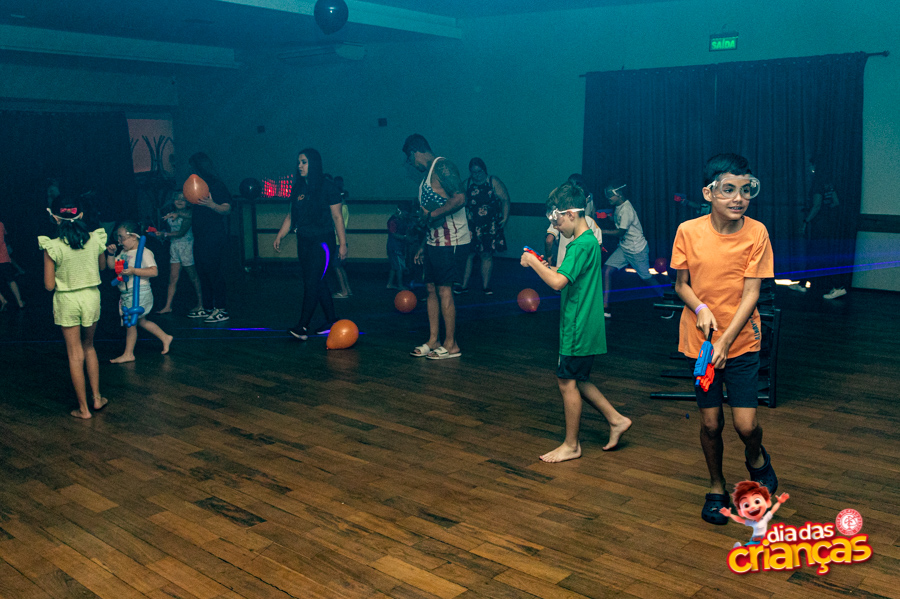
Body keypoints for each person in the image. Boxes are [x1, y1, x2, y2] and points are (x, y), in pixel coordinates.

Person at [670, 153, 777, 525]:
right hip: (701, 346)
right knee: (711, 423)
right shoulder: (688, 231)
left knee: (746, 425)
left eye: (746, 190)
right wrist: (700, 307)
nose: (738, 198)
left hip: (742, 341)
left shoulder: (757, 232)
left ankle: (756, 457)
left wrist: (726, 341)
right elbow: (681, 285)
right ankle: (716, 487)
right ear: (709, 193)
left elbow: (752, 294)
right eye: (729, 189)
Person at [520, 182, 632, 462]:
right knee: (578, 379)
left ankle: (571, 445)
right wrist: (547, 266)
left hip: (577, 325)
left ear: (570, 214)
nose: (556, 227)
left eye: (557, 221)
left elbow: (558, 283)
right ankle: (616, 420)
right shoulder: (588, 240)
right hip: (584, 323)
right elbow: (566, 273)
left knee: (566, 382)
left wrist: (533, 263)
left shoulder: (579, 245)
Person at [38, 196, 109, 418]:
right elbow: (103, 267)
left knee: (74, 354)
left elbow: (49, 285)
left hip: (67, 300)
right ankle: (97, 398)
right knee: (89, 347)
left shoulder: (52, 246)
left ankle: (83, 409)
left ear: (54, 217)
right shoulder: (95, 238)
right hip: (91, 297)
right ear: (81, 215)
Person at [402, 134, 469, 360]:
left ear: (415, 152)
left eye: (409, 159)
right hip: (434, 240)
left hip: (452, 240)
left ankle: (451, 344)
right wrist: (423, 244)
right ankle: (434, 340)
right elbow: (429, 216)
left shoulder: (443, 166)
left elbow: (460, 198)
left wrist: (432, 214)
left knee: (444, 289)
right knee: (430, 288)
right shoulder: (427, 177)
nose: (411, 164)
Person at [273, 148, 348, 340]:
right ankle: (331, 320)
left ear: (313, 164)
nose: (300, 166)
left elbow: (337, 217)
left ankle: (302, 327)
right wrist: (280, 235)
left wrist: (343, 244)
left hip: (323, 243)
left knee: (312, 283)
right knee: (318, 282)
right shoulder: (298, 188)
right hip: (304, 242)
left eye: (304, 162)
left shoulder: (328, 187)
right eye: (298, 162)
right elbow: (291, 216)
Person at [107, 222, 173, 363]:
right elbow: (112, 266)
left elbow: (154, 271)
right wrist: (111, 254)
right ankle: (165, 337)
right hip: (126, 292)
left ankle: (128, 354)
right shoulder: (124, 253)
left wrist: (134, 271)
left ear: (133, 237)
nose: (119, 241)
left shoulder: (144, 252)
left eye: (122, 237)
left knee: (131, 323)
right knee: (141, 321)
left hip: (139, 291)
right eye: (117, 237)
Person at [601, 181, 662, 318]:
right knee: (606, 270)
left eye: (610, 194)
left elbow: (620, 232)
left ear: (619, 194)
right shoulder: (618, 206)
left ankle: (666, 299)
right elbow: (619, 223)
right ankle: (605, 307)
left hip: (636, 249)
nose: (607, 197)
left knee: (646, 277)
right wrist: (609, 217)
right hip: (624, 248)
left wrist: (601, 231)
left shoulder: (627, 209)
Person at [187, 152, 232, 323]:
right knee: (202, 271)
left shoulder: (216, 185)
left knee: (214, 271)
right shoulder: (195, 185)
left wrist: (212, 204)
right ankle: (207, 307)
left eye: (193, 167)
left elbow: (227, 208)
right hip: (200, 236)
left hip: (213, 235)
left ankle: (221, 309)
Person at [796, 157, 846, 299]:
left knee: (819, 256)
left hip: (820, 226)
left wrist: (806, 221)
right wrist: (827, 210)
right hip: (829, 225)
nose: (810, 169)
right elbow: (836, 202)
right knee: (817, 256)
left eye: (812, 166)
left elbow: (816, 205)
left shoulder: (817, 184)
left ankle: (838, 286)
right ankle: (802, 283)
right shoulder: (828, 184)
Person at [459, 158, 509, 295]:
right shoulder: (467, 184)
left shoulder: (493, 181)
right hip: (471, 225)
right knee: (468, 254)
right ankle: (463, 285)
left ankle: (485, 286)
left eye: (479, 172)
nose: (476, 175)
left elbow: (505, 199)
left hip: (489, 225)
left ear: (484, 170)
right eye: (473, 172)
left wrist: (504, 217)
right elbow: (457, 201)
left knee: (486, 254)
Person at [157, 193, 203, 315]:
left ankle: (201, 303)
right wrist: (161, 233)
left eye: (183, 199)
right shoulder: (171, 213)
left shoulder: (189, 214)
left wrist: (164, 234)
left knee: (193, 277)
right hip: (174, 246)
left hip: (186, 246)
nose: (179, 201)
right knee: (173, 277)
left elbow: (181, 233)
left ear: (188, 202)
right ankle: (168, 306)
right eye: (177, 198)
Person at [720, 481, 789, 548]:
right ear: (741, 512)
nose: (752, 506)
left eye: (757, 501)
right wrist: (730, 515)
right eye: (746, 505)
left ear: (767, 502)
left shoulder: (765, 519)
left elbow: (773, 510)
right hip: (754, 541)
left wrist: (779, 502)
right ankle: (740, 550)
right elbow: (740, 520)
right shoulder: (752, 523)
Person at [331, 176, 352, 299]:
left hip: (338, 241)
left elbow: (337, 224)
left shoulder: (340, 210)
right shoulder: (345, 207)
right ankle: (347, 289)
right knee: (340, 266)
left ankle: (344, 291)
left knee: (336, 266)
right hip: (342, 241)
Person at [0, 219, 25, 310]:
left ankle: (4, 300)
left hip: (2, 258)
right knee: (10, 279)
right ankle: (19, 302)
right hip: (3, 257)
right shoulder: (1, 224)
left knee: (10, 279)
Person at [386, 201, 412, 290]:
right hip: (394, 247)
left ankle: (389, 284)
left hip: (398, 247)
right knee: (399, 266)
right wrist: (405, 237)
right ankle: (400, 285)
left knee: (394, 266)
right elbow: (393, 234)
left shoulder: (402, 220)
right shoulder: (393, 220)